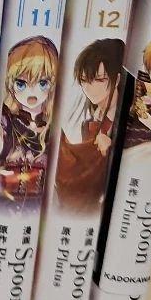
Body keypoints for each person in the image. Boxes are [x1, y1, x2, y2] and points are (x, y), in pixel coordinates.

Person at [55, 38, 124, 213]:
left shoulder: (123, 119)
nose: (90, 88)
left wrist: (111, 149)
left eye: (99, 80)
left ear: (117, 79)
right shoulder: (90, 118)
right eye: (85, 80)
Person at [0, 35, 57, 211]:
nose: (32, 93)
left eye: (42, 83)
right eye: (21, 84)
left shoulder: (51, 124)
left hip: (37, 206)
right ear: (10, 83)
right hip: (3, 203)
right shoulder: (5, 120)